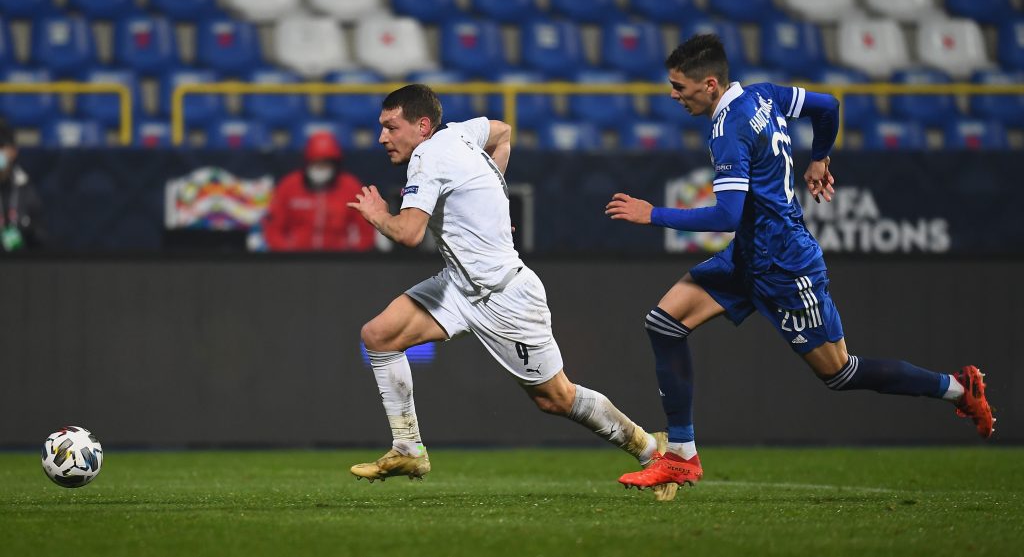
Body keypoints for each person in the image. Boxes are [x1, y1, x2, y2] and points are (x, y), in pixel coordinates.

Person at [606, 35, 995, 496]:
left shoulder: (728, 129)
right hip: (751, 255)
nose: (673, 95)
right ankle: (682, 457)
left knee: (841, 372)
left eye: (679, 87)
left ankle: (957, 388)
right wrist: (821, 156)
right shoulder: (764, 94)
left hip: (784, 265)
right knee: (664, 323)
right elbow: (827, 106)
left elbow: (727, 215)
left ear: (709, 85)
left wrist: (655, 215)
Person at [346, 84, 665, 487]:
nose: (382, 138)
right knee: (379, 336)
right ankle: (408, 449)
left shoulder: (427, 158)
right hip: (459, 287)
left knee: (556, 398)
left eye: (391, 127)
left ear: (422, 126)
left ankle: (653, 451)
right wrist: (490, 200)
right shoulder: (461, 132)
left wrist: (377, 215)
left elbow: (409, 233)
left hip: (503, 295)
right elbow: (504, 131)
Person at [262, 131, 375, 252]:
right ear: (307, 163)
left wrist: (352, 255)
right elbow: (273, 229)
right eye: (316, 163)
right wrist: (287, 252)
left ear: (335, 165)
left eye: (326, 164)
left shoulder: (351, 187)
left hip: (339, 261)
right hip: (296, 259)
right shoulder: (289, 186)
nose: (321, 168)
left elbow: (366, 231)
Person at [0, 121, 47, 253]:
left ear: (14, 151)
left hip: (19, 262)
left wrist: (26, 229)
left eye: (2, 146)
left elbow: (41, 237)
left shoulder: (25, 188)